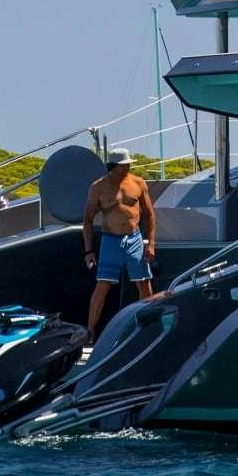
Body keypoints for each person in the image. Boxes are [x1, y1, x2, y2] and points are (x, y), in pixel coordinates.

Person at [80, 147, 157, 343]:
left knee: (144, 284)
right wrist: (88, 250)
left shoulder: (138, 183)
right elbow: (87, 220)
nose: (127, 167)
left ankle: (149, 328)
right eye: (124, 165)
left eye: (128, 164)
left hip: (134, 239)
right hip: (110, 241)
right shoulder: (98, 187)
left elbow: (149, 215)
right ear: (113, 166)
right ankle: (90, 332)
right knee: (102, 286)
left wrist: (150, 243)